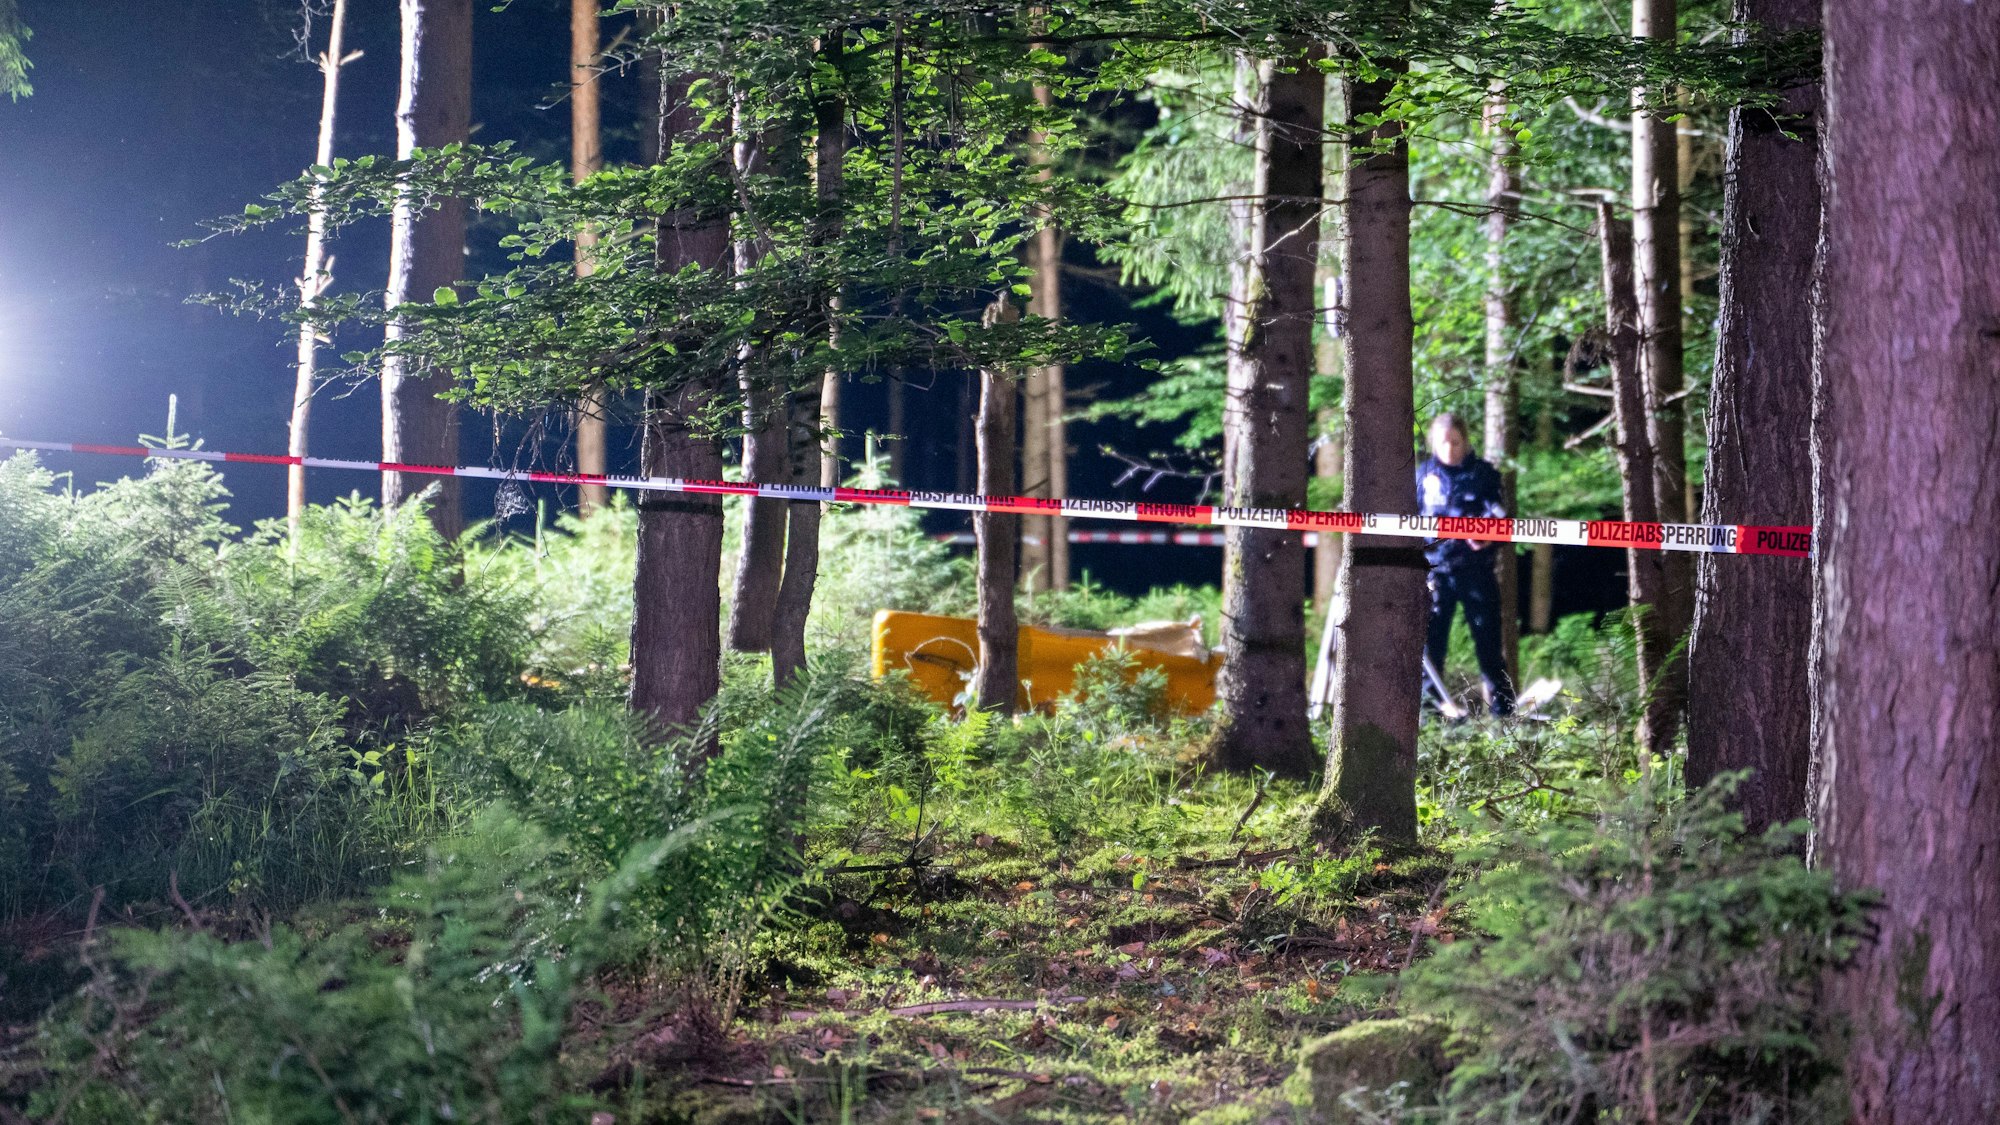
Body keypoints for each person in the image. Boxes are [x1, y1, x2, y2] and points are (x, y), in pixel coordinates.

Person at [1417, 413, 1515, 717]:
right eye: (1443, 442)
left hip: (1477, 572)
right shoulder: (1421, 474)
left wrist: (1487, 535)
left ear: (1465, 440)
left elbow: (1502, 519)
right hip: (1435, 572)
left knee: (1489, 647)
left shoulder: (1484, 474)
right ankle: (1430, 716)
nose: (1449, 448)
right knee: (1431, 648)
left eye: (1455, 442)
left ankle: (1504, 716)